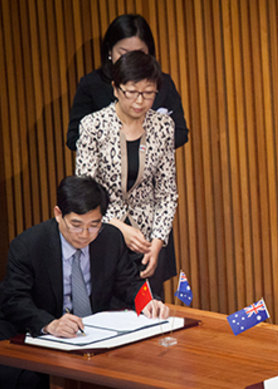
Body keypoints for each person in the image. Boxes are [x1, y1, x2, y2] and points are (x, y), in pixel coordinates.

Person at [0, 176, 169, 389]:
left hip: (93, 337)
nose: (85, 235)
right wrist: (50, 324)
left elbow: (129, 282)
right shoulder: (29, 246)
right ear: (58, 214)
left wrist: (147, 301)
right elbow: (14, 300)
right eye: (76, 225)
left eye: (94, 225)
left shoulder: (110, 238)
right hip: (42, 336)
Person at [76, 51, 178, 298]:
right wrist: (119, 227)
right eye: (132, 92)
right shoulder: (93, 126)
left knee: (150, 312)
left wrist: (157, 243)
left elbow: (167, 193)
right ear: (116, 88)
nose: (140, 101)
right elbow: (85, 192)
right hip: (105, 236)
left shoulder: (163, 126)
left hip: (148, 242)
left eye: (148, 93)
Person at [67, 13, 188, 150]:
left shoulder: (163, 82)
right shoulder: (92, 84)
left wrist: (146, 143)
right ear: (109, 51)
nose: (131, 60)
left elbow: (180, 133)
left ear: (149, 52)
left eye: (139, 53)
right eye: (123, 53)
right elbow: (74, 138)